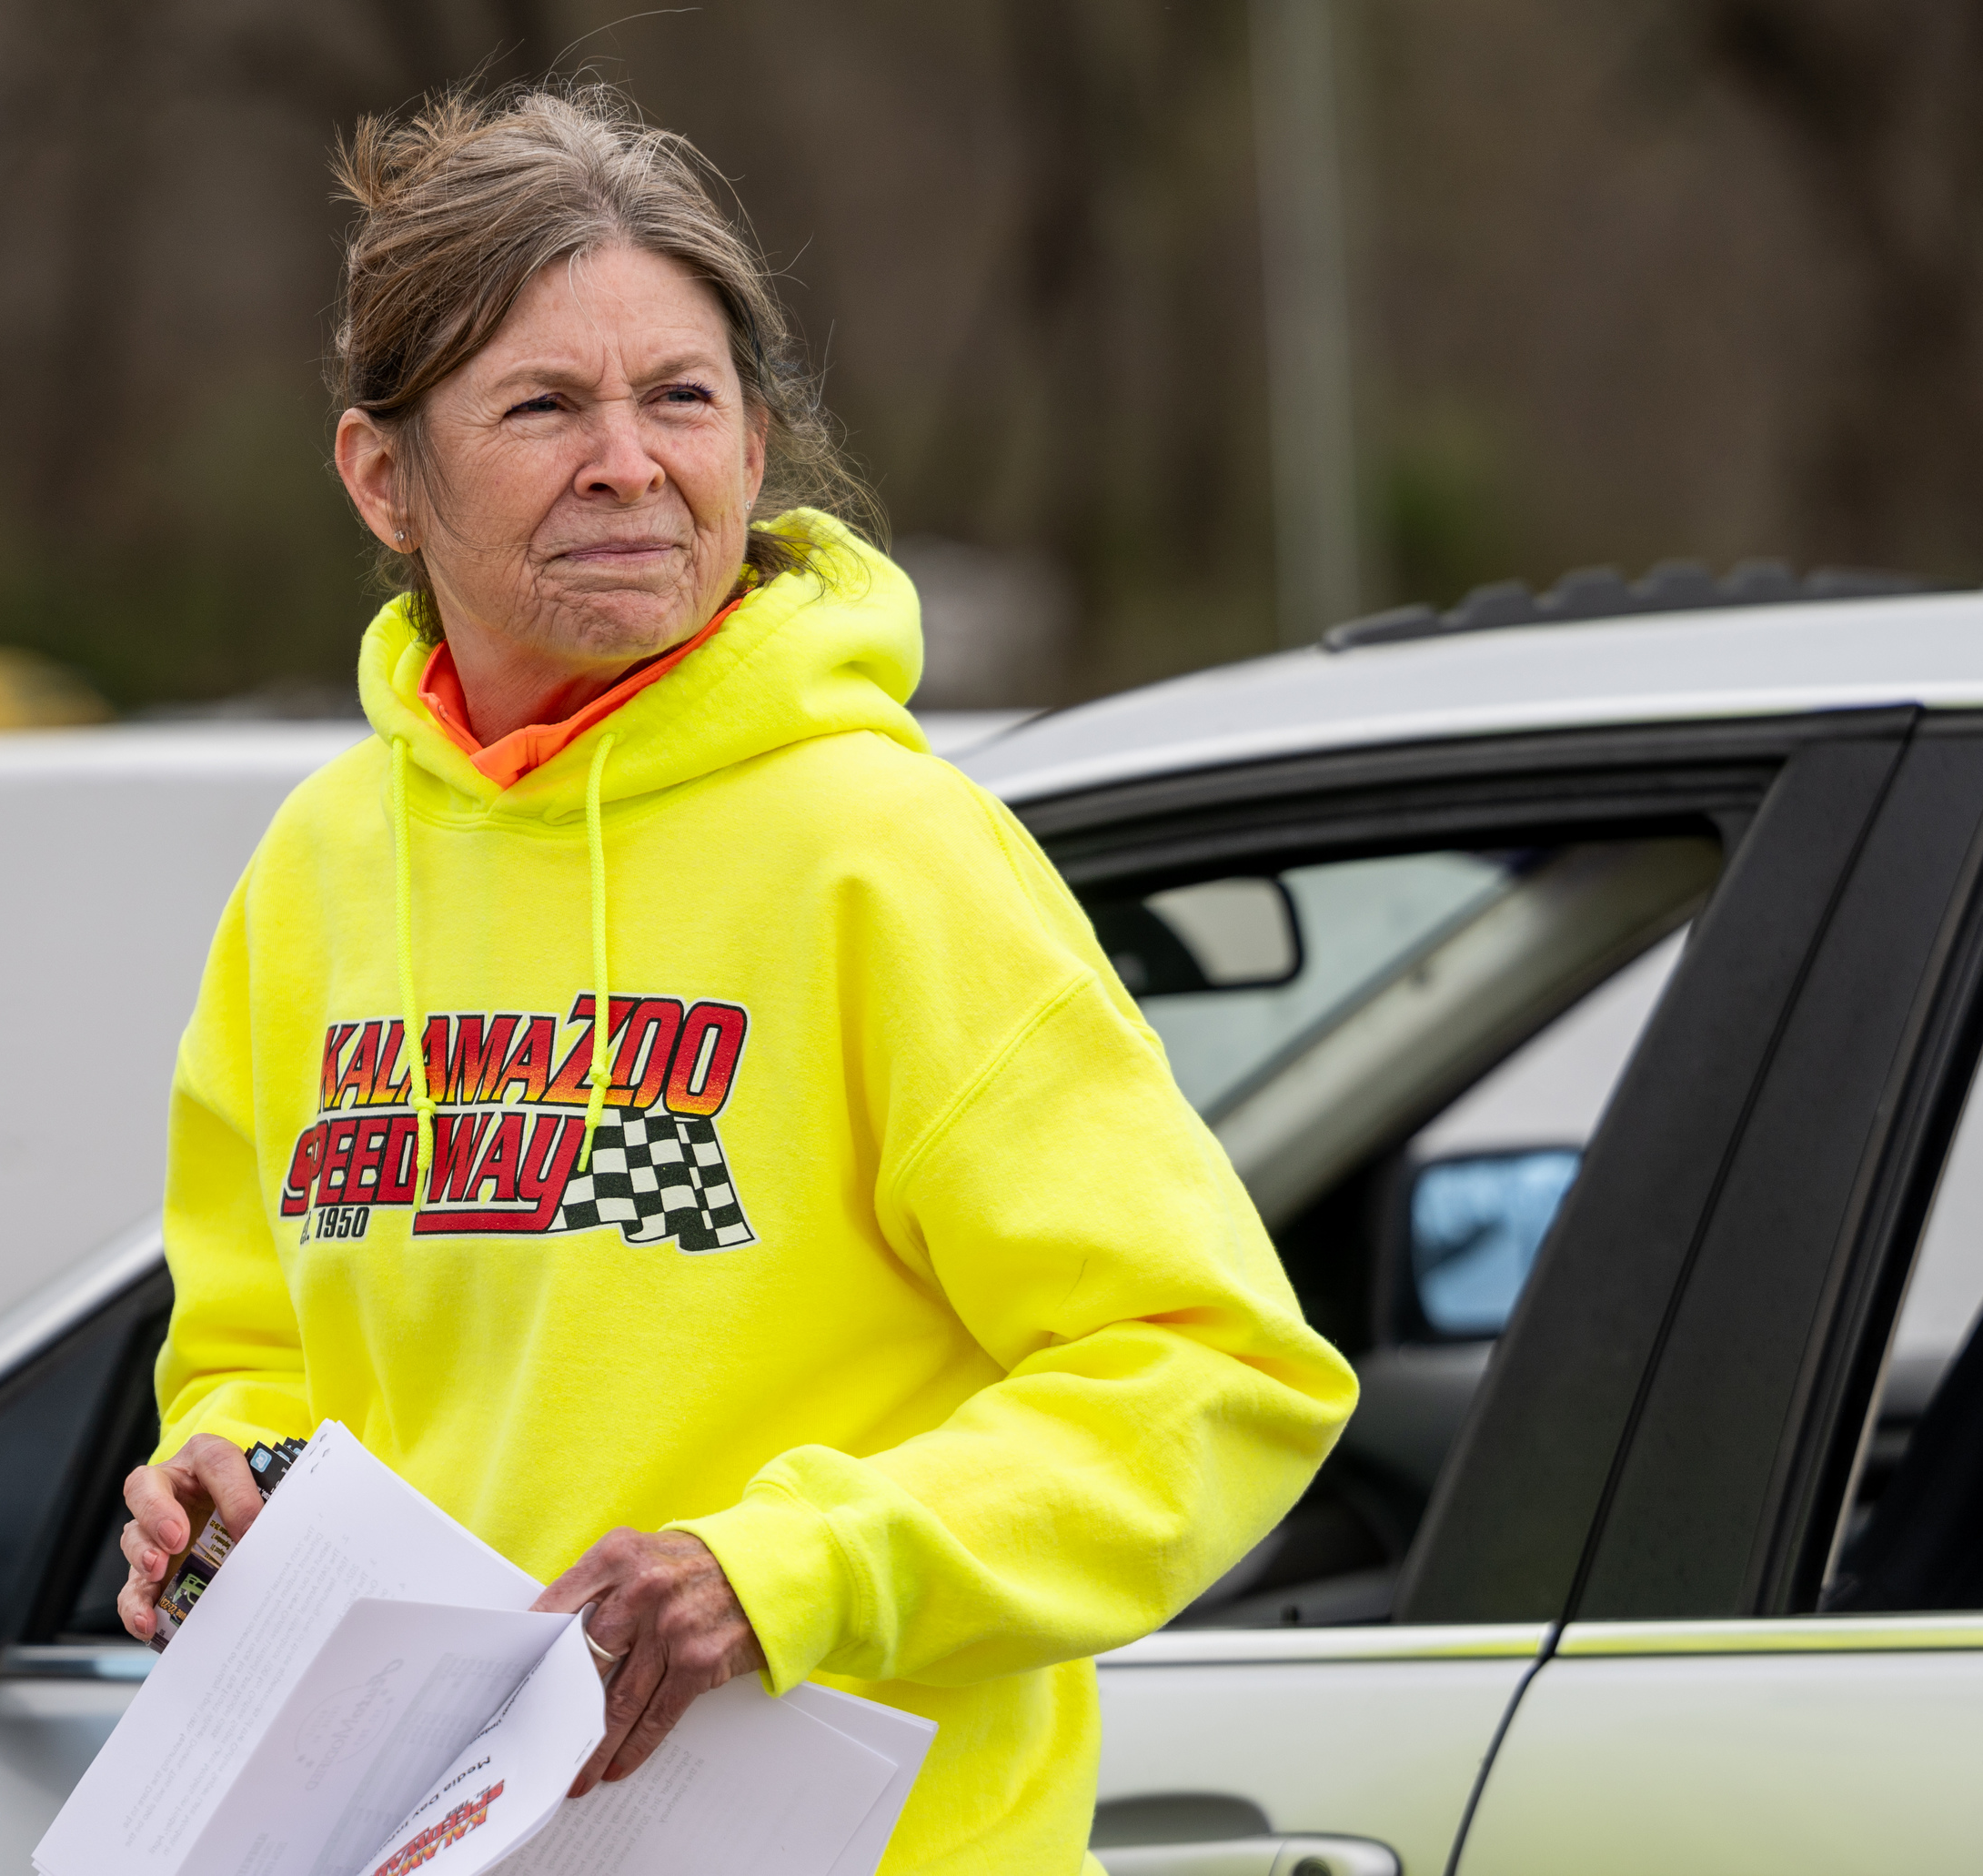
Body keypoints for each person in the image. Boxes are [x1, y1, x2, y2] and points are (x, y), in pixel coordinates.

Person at [115, 82, 1354, 1875]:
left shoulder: (883, 850)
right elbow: (252, 1342)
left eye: (679, 397)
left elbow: (1212, 1370)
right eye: (542, 405)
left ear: (753, 448)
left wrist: (777, 1574)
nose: (629, 463)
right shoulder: (319, 865)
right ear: (382, 474)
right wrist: (226, 1475)